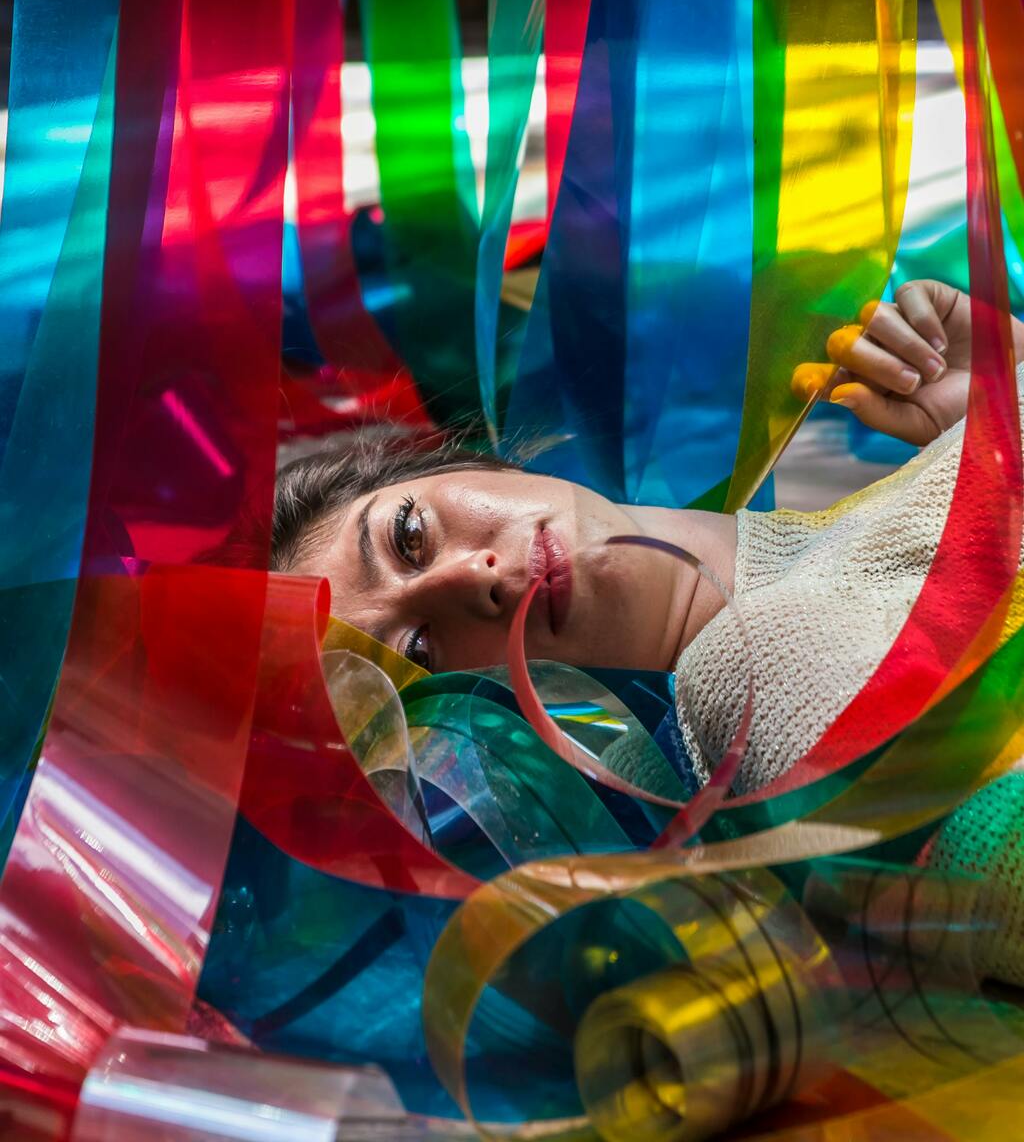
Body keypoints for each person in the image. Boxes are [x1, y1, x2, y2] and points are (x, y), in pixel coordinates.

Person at [272, 277, 1024, 980]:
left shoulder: (817, 566)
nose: (474, 578)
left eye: (409, 536)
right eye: (420, 650)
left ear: (453, 466)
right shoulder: (761, 678)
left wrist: (997, 401)